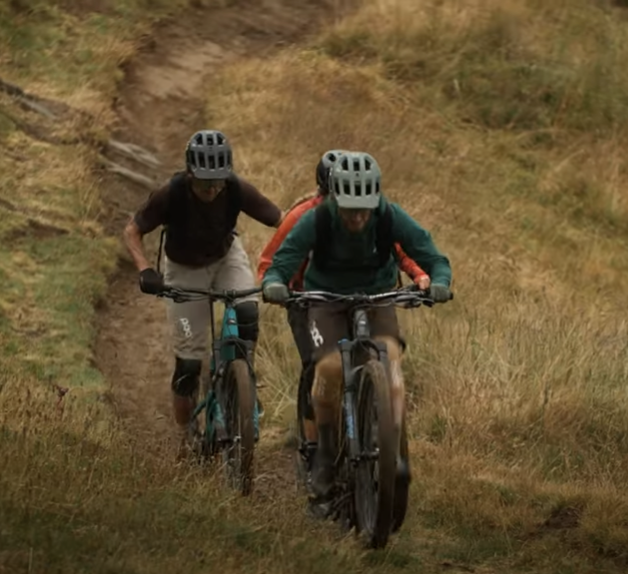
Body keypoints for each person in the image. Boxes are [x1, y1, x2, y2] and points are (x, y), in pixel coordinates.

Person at [260, 150, 452, 506]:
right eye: (350, 210)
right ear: (335, 200)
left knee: (390, 356)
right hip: (327, 297)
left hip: (377, 294)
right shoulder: (315, 219)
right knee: (330, 367)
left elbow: (430, 253)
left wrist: (439, 279)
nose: (358, 217)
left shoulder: (388, 215)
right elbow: (282, 262)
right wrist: (275, 283)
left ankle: (391, 443)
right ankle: (327, 455)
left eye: (364, 209)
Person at [122, 129, 281, 459]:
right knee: (189, 364)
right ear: (190, 174)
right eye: (205, 182)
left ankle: (243, 383)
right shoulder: (172, 193)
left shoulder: (234, 187)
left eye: (218, 181)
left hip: (226, 257)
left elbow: (279, 219)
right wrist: (145, 270)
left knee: (248, 312)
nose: (212, 189)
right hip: (183, 269)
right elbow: (133, 231)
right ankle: (184, 435)